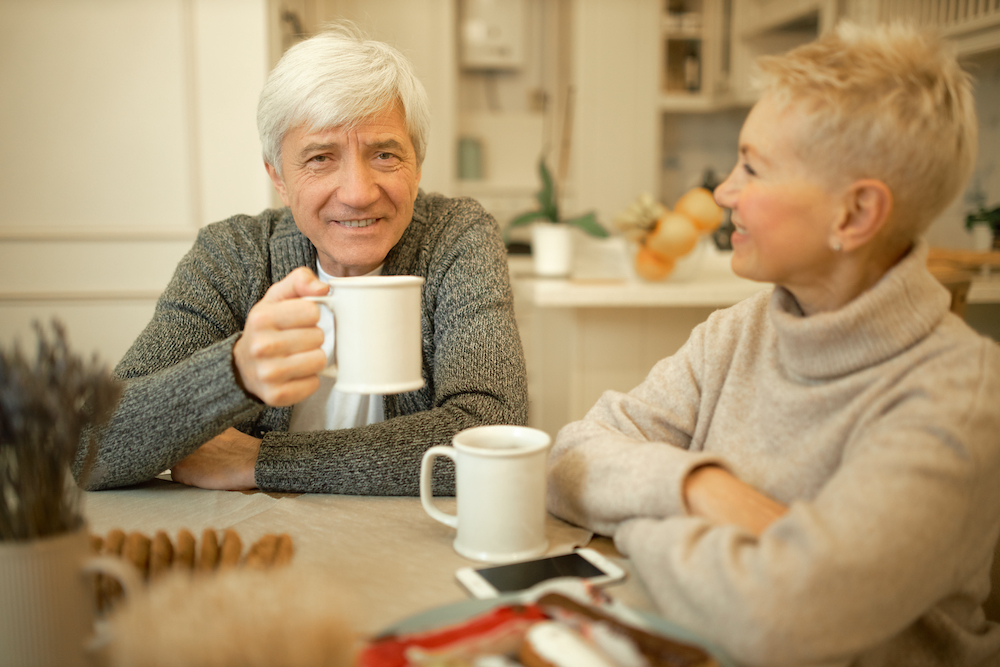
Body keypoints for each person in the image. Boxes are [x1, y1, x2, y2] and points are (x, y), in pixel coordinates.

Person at [546, 22, 1000, 666]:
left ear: (854, 215)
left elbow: (780, 618)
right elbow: (571, 460)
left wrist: (639, 518)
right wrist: (701, 490)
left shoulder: (961, 398)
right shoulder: (738, 331)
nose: (723, 192)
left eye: (752, 168)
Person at [75, 22, 527, 494]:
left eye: (385, 155)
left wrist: (259, 460)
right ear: (279, 178)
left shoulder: (455, 237)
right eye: (319, 158)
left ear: (418, 165)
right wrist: (234, 374)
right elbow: (88, 448)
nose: (357, 193)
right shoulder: (233, 255)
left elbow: (489, 436)